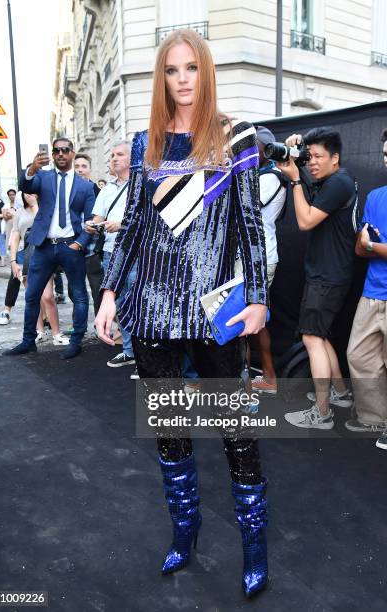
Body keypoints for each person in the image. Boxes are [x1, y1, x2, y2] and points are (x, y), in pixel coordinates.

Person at [95, 30, 269, 597]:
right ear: (162, 78)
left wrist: (260, 298)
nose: (183, 79)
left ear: (206, 70)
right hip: (152, 311)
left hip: (216, 310)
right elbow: (135, 231)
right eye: (172, 70)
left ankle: (254, 546)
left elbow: (250, 228)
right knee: (171, 433)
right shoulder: (147, 143)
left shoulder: (235, 137)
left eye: (191, 68)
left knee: (235, 430)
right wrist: (109, 294)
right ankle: (184, 532)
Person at [277, 128, 356, 430]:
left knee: (311, 338)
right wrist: (296, 154)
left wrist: (295, 179)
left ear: (335, 158)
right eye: (309, 157)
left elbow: (306, 220)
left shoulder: (338, 183)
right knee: (320, 337)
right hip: (330, 274)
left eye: (318, 156)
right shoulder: (336, 181)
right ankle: (340, 393)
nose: (312, 163)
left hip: (327, 276)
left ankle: (322, 412)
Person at [3, 137, 95, 360]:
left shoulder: (86, 186)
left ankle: (76, 342)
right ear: (52, 155)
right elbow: (24, 185)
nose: (60, 154)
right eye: (56, 151)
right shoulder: (43, 177)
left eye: (65, 150)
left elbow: (91, 220)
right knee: (33, 295)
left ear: (72, 153)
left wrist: (80, 243)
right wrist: (33, 167)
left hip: (70, 246)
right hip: (43, 246)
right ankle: (28, 341)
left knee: (80, 296)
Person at [345, 128, 387, 450]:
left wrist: (372, 244)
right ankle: (375, 419)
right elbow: (361, 249)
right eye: (385, 154)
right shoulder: (375, 197)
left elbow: (370, 244)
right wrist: (370, 244)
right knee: (359, 356)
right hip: (372, 291)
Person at [86, 142, 137, 375]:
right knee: (121, 304)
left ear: (132, 157)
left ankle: (146, 356)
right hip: (110, 252)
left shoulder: (142, 185)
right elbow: (97, 219)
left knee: (140, 303)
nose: (114, 159)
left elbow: (150, 221)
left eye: (120, 154)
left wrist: (123, 225)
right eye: (112, 155)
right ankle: (129, 351)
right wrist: (91, 226)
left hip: (137, 253)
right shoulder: (106, 190)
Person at [249, 126, 287, 395]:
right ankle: (263, 374)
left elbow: (246, 207)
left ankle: (268, 377)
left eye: (254, 148)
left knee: (252, 319)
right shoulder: (259, 174)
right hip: (253, 257)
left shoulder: (270, 177)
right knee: (250, 319)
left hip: (260, 258)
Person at [7, 192, 69, 346]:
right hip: (24, 254)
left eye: (33, 192)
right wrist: (13, 261)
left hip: (43, 254)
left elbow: (44, 227)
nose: (29, 195)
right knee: (32, 296)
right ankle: (39, 331)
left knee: (48, 296)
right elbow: (15, 236)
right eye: (27, 192)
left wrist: (35, 206)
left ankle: (56, 333)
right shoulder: (19, 212)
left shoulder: (45, 208)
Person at [73, 152, 103, 316]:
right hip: (73, 248)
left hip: (93, 249)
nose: (80, 170)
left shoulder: (97, 191)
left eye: (83, 166)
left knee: (97, 288)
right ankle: (79, 325)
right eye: (76, 166)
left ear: (90, 169)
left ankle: (101, 326)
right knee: (75, 291)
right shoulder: (68, 190)